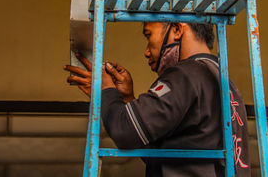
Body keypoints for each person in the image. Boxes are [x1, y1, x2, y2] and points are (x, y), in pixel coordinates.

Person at [64, 22, 250, 177]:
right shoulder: (222, 79)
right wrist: (127, 98)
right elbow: (161, 153)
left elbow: (124, 131)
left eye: (148, 35)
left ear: (177, 30)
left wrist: (106, 90)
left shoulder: (185, 75)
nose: (146, 52)